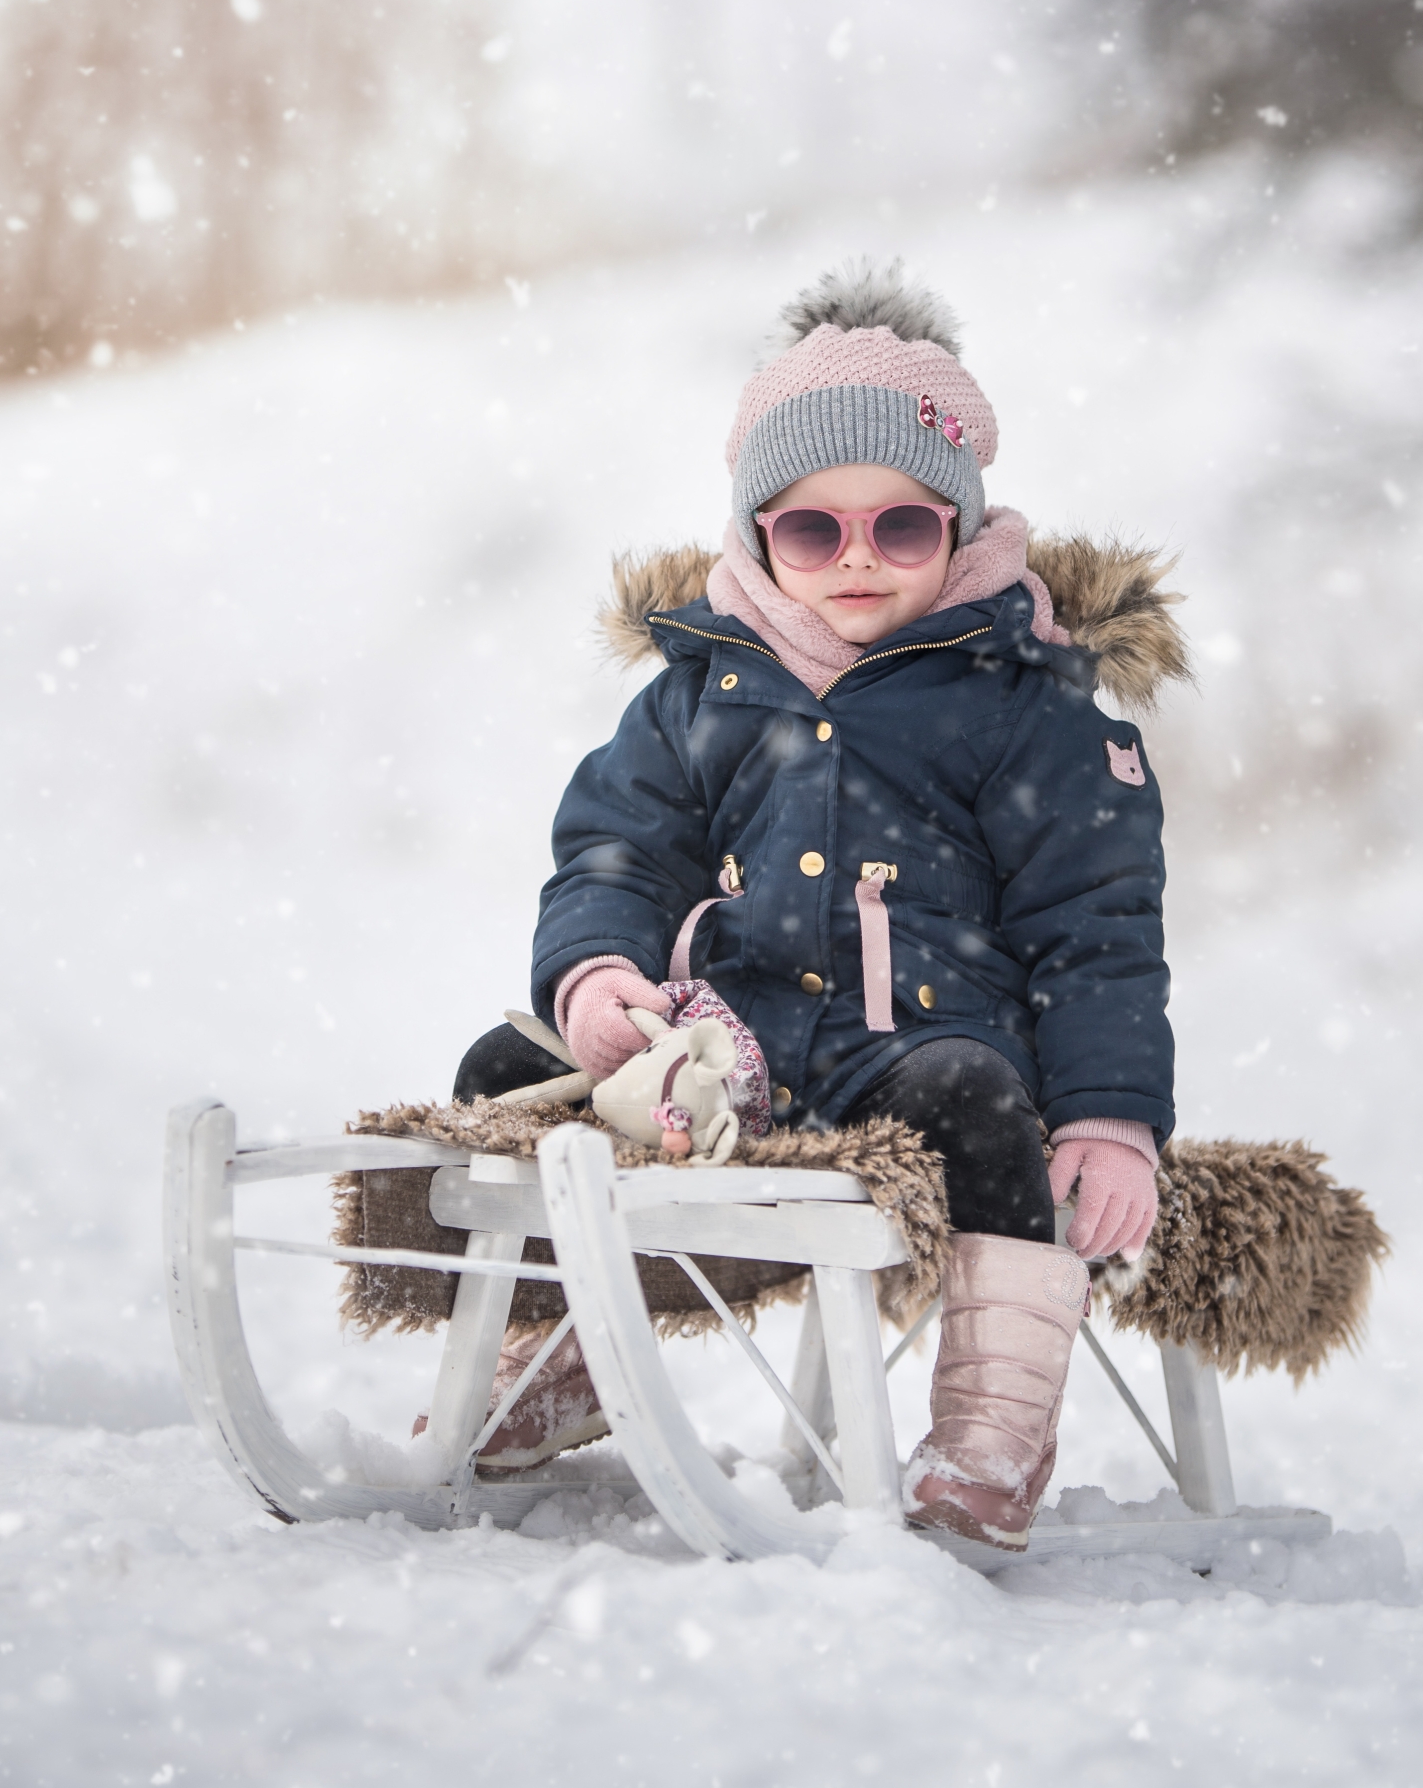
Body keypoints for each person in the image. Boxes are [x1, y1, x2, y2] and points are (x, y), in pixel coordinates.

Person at [450, 261, 1179, 1551]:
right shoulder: (701, 692)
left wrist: (1111, 1118)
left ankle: (990, 1434)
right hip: (723, 1046)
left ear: (958, 529)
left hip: (912, 1047)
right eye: (811, 529)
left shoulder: (1025, 703)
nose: (856, 559)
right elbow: (615, 853)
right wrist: (603, 981)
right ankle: (548, 1357)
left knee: (977, 1099)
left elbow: (1096, 926)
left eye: (900, 526)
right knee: (508, 1068)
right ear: (756, 536)